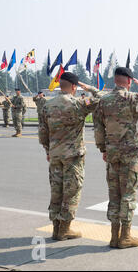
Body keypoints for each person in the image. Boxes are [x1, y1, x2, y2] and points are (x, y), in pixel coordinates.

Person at [94, 67, 138, 249]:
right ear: (129, 81)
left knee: (114, 193)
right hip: (130, 153)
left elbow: (98, 128)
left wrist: (103, 149)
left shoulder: (103, 101)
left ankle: (114, 236)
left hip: (112, 153)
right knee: (128, 193)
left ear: (114, 80)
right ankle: (125, 236)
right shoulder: (133, 99)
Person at [38, 72, 103, 241]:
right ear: (74, 86)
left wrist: (48, 151)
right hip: (73, 156)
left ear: (60, 85)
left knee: (56, 190)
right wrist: (90, 89)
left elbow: (43, 133)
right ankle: (65, 229)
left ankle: (56, 228)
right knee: (72, 191)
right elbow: (101, 99)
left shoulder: (47, 105)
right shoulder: (79, 103)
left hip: (55, 155)